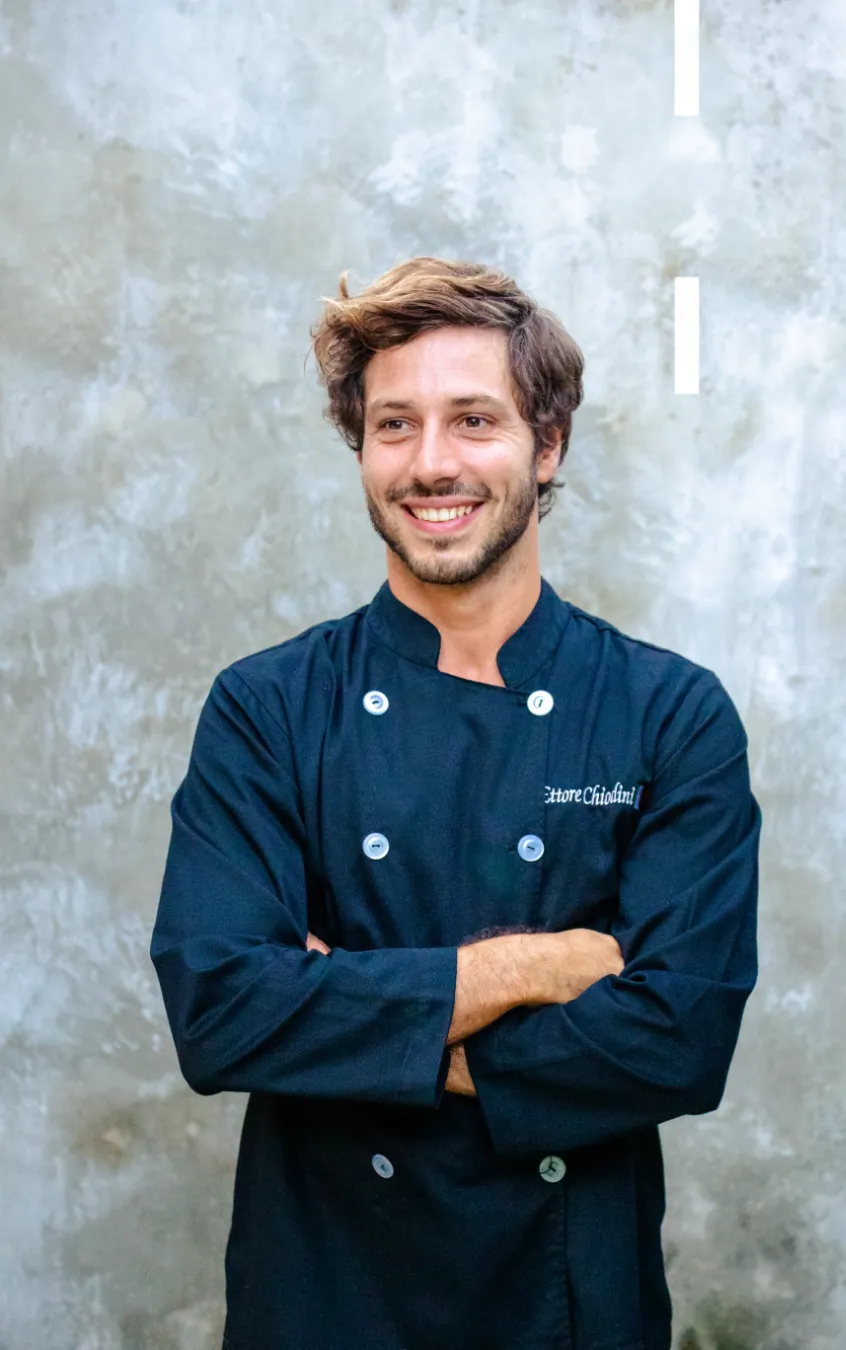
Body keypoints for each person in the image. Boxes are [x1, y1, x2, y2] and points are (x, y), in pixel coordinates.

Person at [150, 256, 760, 1350]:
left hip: (572, 1305)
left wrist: (352, 1023)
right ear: (360, 447)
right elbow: (223, 1010)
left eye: (474, 420)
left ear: (548, 443)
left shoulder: (669, 714)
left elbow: (680, 1038)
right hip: (325, 1299)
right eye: (395, 426)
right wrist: (525, 971)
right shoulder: (268, 709)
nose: (432, 463)